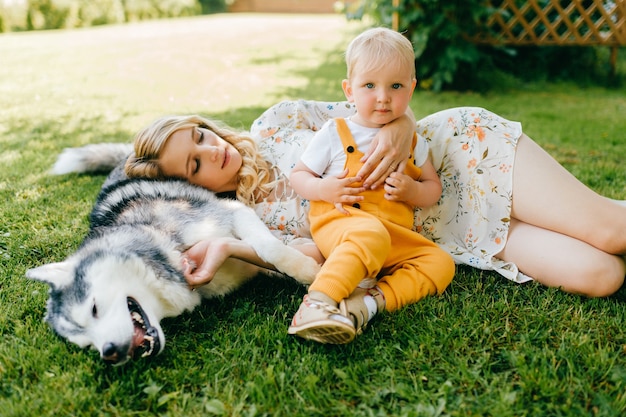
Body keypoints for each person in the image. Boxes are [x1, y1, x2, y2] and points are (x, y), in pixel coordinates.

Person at [124, 62, 626, 312]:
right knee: (601, 274)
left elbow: (376, 101)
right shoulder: (258, 223)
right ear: (192, 189)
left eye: (200, 136)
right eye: (195, 163)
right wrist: (232, 246)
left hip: (459, 158)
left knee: (609, 231)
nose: (212, 150)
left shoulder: (275, 124)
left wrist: (404, 126)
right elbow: (319, 264)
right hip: (451, 232)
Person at [286, 27, 455, 344]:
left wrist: (413, 192)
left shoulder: (414, 142)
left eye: (396, 86)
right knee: (369, 233)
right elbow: (299, 176)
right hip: (342, 225)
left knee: (441, 263)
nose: (383, 97)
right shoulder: (334, 132)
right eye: (369, 85)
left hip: (393, 237)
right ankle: (318, 303)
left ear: (412, 89)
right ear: (349, 90)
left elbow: (433, 187)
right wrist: (324, 189)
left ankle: (364, 304)